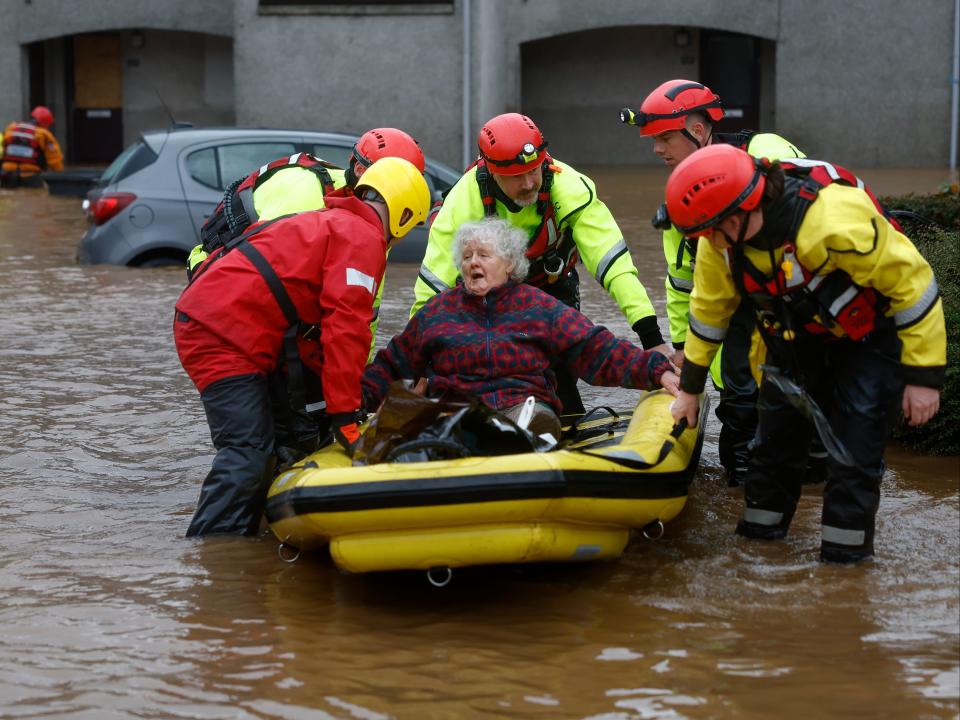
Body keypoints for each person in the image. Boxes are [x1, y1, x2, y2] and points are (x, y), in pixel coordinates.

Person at [665, 144, 946, 563]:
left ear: (739, 213)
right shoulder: (719, 241)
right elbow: (709, 314)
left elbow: (914, 288)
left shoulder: (831, 219)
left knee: (853, 460)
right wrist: (690, 390)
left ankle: (843, 571)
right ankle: (756, 552)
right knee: (771, 449)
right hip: (791, 341)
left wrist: (923, 379)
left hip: (867, 342)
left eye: (710, 230)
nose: (705, 241)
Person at [175, 157, 431, 537]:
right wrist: (345, 419)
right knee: (247, 453)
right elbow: (346, 330)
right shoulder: (362, 238)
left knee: (270, 445)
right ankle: (213, 556)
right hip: (221, 334)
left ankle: (248, 539)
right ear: (404, 215)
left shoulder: (334, 221)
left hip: (224, 324)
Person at [413, 112, 670, 415]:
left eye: (534, 171)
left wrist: (651, 338)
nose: (529, 183)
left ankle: (561, 419)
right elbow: (432, 285)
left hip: (550, 289)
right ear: (492, 172)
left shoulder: (569, 188)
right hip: (485, 296)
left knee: (560, 364)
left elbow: (614, 266)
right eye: (517, 176)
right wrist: (417, 364)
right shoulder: (463, 201)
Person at [621, 79, 806, 485]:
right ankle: (740, 487)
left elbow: (815, 218)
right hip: (737, 305)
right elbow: (683, 281)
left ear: (699, 129)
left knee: (810, 406)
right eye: (653, 140)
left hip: (799, 297)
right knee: (740, 408)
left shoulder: (768, 153)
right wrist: (685, 348)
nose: (657, 149)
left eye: (666, 137)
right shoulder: (681, 198)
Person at [365, 217, 680, 441]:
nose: (473, 262)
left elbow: (596, 349)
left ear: (510, 264)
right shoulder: (437, 313)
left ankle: (522, 439)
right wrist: (352, 404)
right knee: (437, 424)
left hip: (523, 407)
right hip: (457, 412)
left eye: (483, 255)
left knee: (531, 419)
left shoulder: (539, 307)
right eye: (467, 256)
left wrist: (657, 370)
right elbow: (393, 363)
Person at [1, 105, 64, 188]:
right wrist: (61, 176)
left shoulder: (11, 128)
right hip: (31, 176)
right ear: (45, 123)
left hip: (7, 175)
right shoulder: (44, 134)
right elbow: (54, 160)